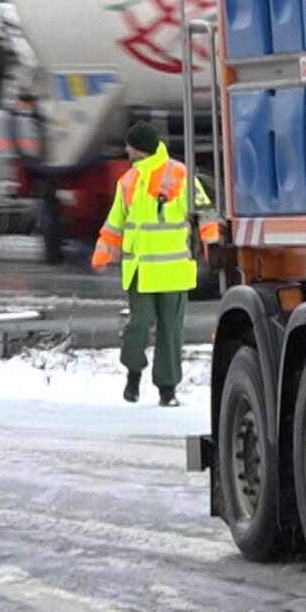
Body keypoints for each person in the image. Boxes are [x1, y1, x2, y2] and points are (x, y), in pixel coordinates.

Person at [93, 122, 219, 405]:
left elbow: (205, 211)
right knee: (139, 324)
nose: (125, 150)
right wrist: (103, 251)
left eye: (129, 145)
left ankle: (167, 390)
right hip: (140, 271)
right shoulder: (128, 182)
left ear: (140, 148)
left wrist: (212, 242)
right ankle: (133, 373)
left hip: (173, 271)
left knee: (170, 331)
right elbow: (116, 222)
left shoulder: (180, 175)